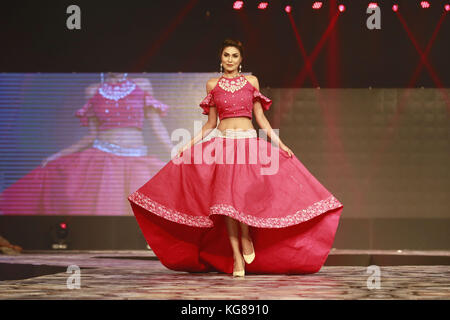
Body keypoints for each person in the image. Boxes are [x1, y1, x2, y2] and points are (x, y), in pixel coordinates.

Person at [128, 39, 344, 277]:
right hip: (222, 146)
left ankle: (245, 236)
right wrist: (188, 144)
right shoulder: (212, 84)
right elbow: (211, 123)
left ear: (241, 60)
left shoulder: (251, 82)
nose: (230, 59)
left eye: (234, 56)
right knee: (225, 203)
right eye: (226, 55)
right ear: (220, 58)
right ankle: (237, 257)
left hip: (248, 144)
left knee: (242, 196)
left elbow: (260, 118)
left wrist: (280, 143)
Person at [0, 73, 172, 216]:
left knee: (145, 210)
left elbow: (157, 125)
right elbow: (91, 135)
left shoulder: (141, 84)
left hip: (136, 159)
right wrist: (59, 155)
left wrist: (176, 151)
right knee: (106, 210)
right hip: (103, 160)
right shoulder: (93, 90)